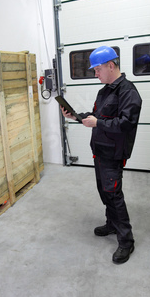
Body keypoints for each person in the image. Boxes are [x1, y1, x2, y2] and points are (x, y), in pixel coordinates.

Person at [61, 46, 142, 264]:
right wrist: (76, 116)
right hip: (100, 150)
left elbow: (127, 123)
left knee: (114, 195)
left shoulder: (128, 92)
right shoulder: (105, 90)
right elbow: (97, 115)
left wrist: (98, 122)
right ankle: (112, 224)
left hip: (113, 153)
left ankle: (127, 241)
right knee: (105, 192)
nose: (95, 74)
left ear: (111, 65)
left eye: (97, 70)